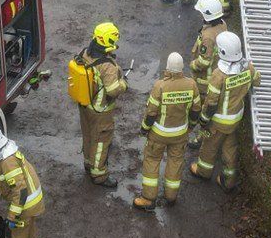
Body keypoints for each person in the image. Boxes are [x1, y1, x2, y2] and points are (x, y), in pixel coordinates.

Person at [191, 31, 258, 191]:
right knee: (230, 148)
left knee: (209, 146)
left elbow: (211, 102)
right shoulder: (248, 67)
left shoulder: (219, 75)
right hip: (235, 119)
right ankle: (228, 180)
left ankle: (203, 171)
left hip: (218, 121)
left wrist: (204, 119)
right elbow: (257, 80)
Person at [134, 53, 199, 210]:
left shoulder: (160, 86)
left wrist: (144, 129)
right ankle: (171, 196)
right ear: (182, 68)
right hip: (180, 134)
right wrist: (190, 126)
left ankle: (148, 199)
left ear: (168, 68)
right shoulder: (191, 84)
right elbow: (196, 110)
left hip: (159, 134)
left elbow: (151, 113)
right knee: (175, 162)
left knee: (152, 161)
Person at [74, 21, 129, 186]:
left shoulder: (85, 52)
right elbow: (113, 90)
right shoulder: (108, 66)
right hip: (100, 111)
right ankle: (99, 174)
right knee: (101, 141)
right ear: (108, 40)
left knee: (88, 135)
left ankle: (88, 163)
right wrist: (124, 83)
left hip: (85, 105)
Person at [187, 0, 228, 148]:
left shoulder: (208, 36)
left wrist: (193, 65)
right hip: (217, 72)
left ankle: (201, 137)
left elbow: (204, 61)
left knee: (205, 112)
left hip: (205, 80)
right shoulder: (222, 25)